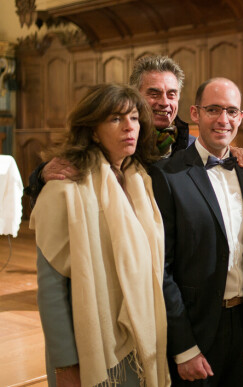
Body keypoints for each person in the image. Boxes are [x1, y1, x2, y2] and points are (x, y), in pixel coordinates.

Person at [30, 84, 170, 386]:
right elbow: (51, 289)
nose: (129, 127)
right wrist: (65, 364)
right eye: (116, 119)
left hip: (140, 339)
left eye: (133, 118)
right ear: (93, 131)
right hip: (89, 350)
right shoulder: (65, 189)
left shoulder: (140, 181)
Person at [150, 77, 243, 386]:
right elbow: (160, 269)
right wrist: (183, 347)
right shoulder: (167, 175)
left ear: (240, 117)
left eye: (231, 111)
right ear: (195, 113)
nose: (223, 119)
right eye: (213, 109)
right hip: (195, 327)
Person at [24, 55, 243, 202]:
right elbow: (71, 164)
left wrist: (230, 152)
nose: (164, 102)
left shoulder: (190, 145)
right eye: (153, 93)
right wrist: (42, 175)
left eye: (171, 94)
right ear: (135, 95)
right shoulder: (117, 140)